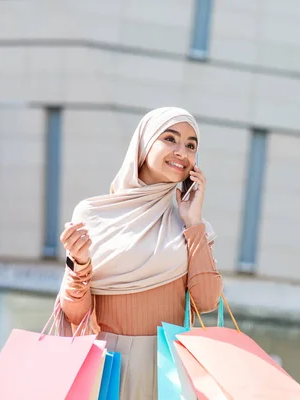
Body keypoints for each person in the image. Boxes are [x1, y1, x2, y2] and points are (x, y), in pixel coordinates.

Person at [56, 107, 223, 399]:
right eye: (170, 139)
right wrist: (79, 264)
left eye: (191, 145)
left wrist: (193, 223)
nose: (181, 151)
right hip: (108, 368)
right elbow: (76, 314)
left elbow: (206, 300)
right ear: (144, 145)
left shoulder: (192, 225)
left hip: (169, 372)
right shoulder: (94, 214)